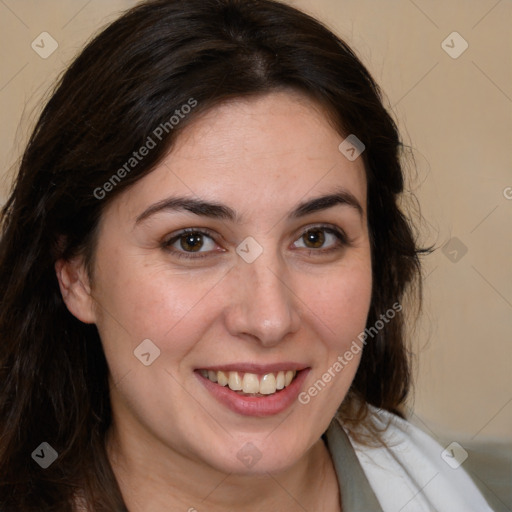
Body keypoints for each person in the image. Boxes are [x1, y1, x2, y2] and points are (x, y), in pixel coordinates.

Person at [0, 0, 494, 510]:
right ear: (76, 274)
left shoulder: (459, 490)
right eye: (192, 241)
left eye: (316, 237)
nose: (269, 319)